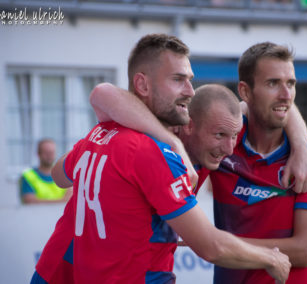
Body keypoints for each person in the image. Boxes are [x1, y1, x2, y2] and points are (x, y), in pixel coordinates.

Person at [32, 33, 290, 284]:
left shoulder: (102, 132)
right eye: (178, 79)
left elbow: (59, 176)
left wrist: (300, 142)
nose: (189, 91)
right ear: (143, 84)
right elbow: (211, 246)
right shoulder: (154, 151)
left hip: (56, 271)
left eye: (190, 80)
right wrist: (270, 258)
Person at [207, 41, 307, 283]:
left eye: (291, 84)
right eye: (272, 84)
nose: (286, 95)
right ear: (245, 91)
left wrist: (218, 243)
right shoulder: (222, 144)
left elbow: (302, 251)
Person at [20, 138, 72, 204]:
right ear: (38, 154)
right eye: (46, 152)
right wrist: (60, 201)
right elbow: (30, 201)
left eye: (52, 152)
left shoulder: (64, 173)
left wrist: (41, 202)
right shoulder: (28, 176)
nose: (49, 156)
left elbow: (70, 198)